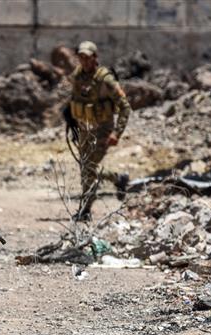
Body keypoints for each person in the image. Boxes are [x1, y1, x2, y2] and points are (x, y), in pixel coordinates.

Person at [67, 41, 132, 222]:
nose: (84, 61)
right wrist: (71, 123)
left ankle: (86, 210)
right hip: (84, 129)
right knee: (86, 168)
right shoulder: (78, 76)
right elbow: (74, 100)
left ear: (95, 58)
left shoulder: (106, 79)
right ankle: (118, 178)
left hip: (103, 130)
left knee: (88, 168)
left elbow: (125, 107)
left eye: (87, 57)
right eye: (81, 57)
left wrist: (116, 133)